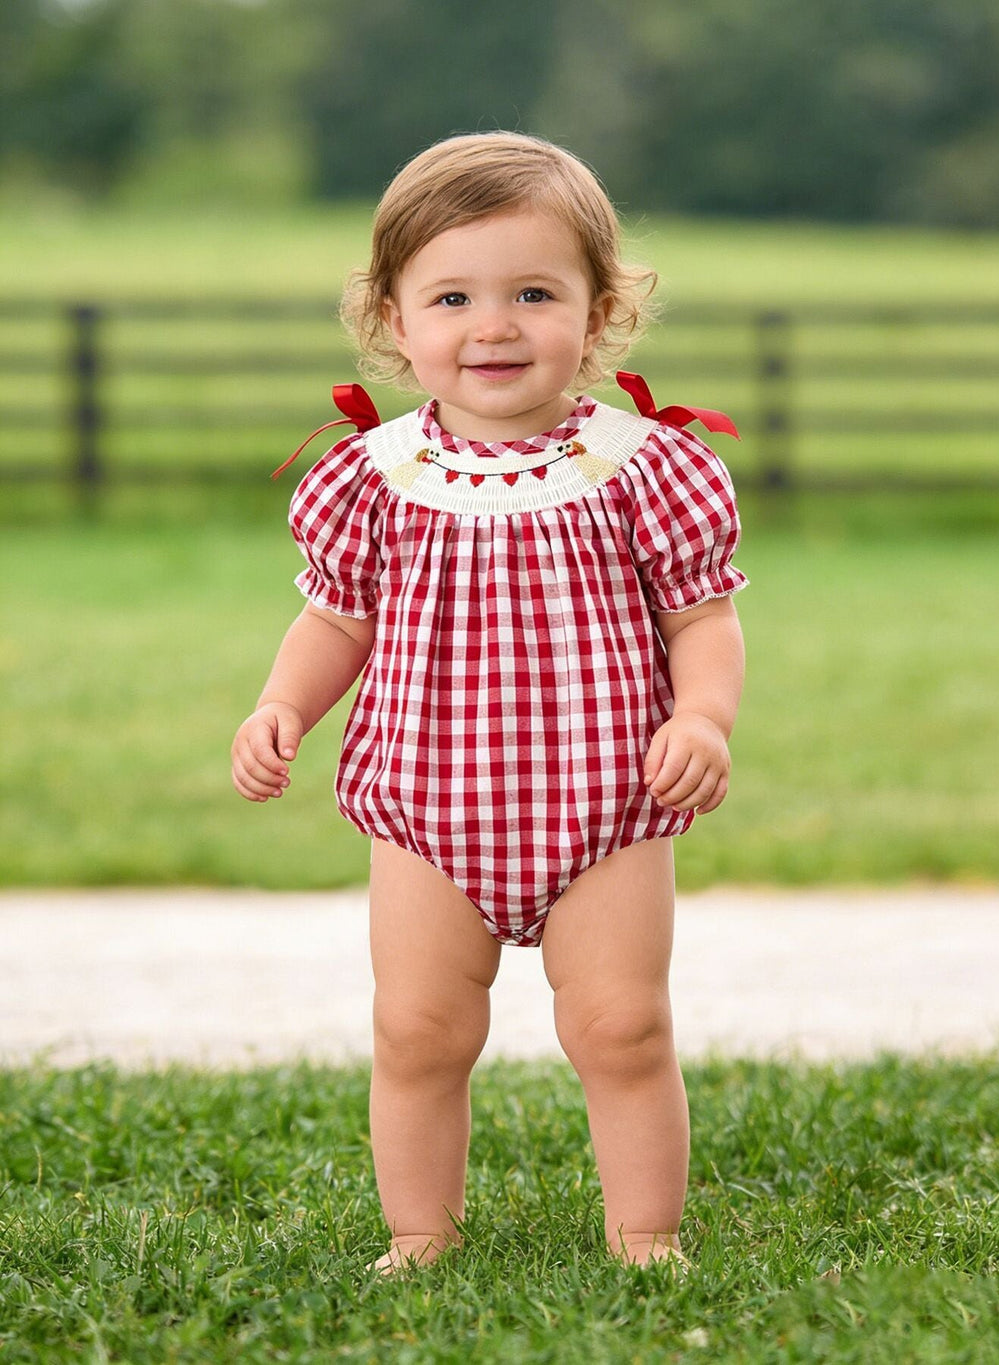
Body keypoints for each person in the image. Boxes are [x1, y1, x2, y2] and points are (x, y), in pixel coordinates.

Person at [231, 131, 747, 1273]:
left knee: (622, 1026)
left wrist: (701, 718)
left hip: (606, 802)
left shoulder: (640, 469)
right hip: (428, 808)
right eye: (453, 297)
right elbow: (336, 622)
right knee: (418, 1030)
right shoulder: (374, 478)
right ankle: (420, 1234)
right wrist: (281, 706)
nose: (494, 326)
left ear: (599, 312)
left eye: (533, 294)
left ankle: (647, 1237)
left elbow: (701, 619)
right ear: (394, 318)